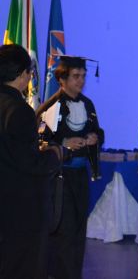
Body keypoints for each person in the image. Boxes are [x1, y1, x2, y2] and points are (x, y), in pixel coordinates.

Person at [36, 55, 103, 279]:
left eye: (83, 76)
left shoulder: (88, 105)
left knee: (78, 229)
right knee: (62, 229)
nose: (81, 81)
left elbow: (97, 130)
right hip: (59, 178)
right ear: (62, 79)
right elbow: (39, 141)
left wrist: (95, 137)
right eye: (76, 76)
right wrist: (63, 143)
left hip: (80, 176)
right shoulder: (51, 106)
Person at [0, 44, 63, 279]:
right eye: (30, 72)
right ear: (23, 74)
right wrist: (54, 153)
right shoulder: (19, 110)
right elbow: (31, 164)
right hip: (20, 211)